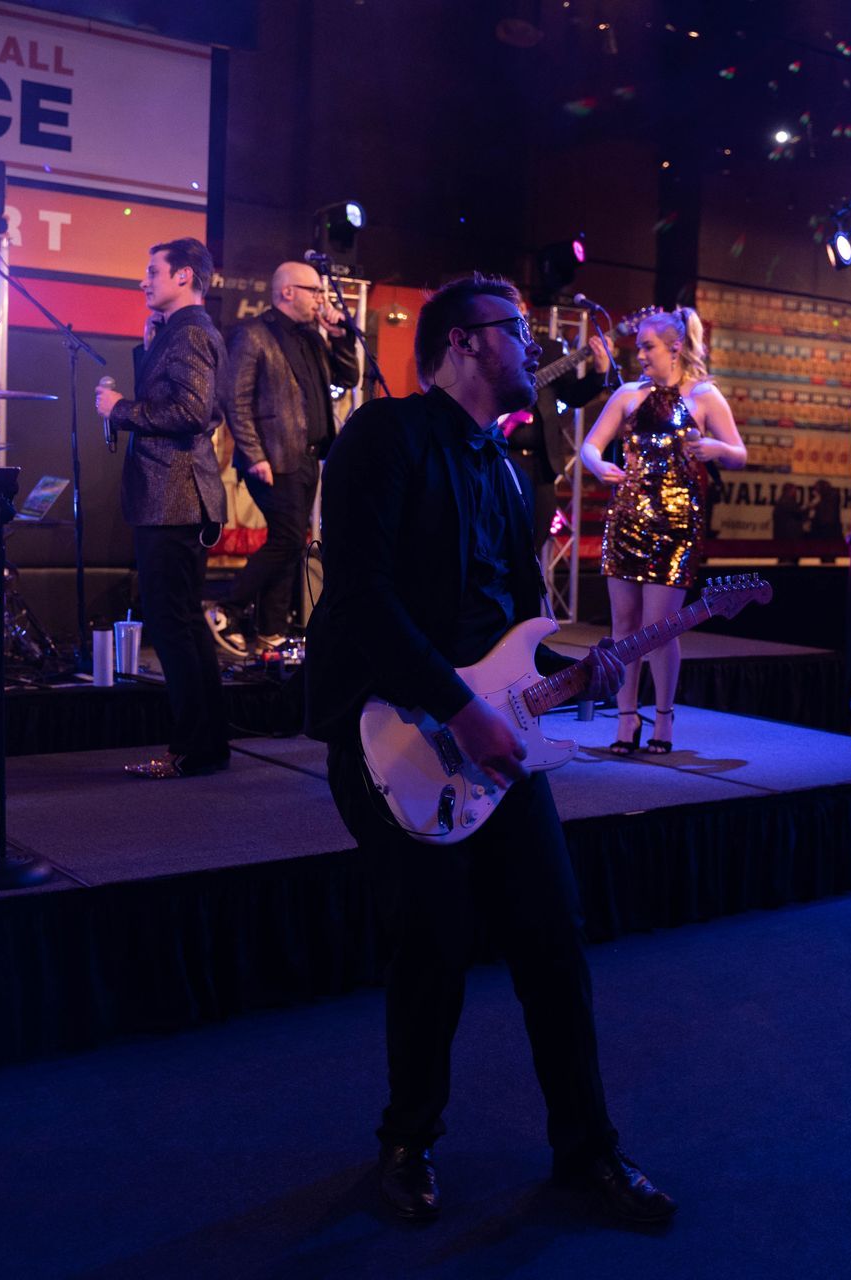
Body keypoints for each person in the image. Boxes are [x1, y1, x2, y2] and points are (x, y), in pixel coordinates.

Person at [304, 274, 673, 1225]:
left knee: (554, 940)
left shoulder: (508, 469)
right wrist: (458, 707)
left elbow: (520, 621)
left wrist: (575, 675)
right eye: (517, 332)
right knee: (428, 945)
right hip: (394, 729)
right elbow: (360, 598)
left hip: (494, 733)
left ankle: (588, 1152)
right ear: (466, 343)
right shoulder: (381, 440)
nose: (534, 349)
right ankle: (407, 1142)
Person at [580, 307, 746, 755]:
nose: (640, 357)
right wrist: (599, 465)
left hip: (675, 525)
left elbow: (738, 454)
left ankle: (665, 720)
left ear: (675, 347)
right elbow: (590, 445)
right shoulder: (629, 395)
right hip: (628, 519)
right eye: (638, 349)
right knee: (624, 626)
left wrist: (715, 447)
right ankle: (626, 719)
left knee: (660, 628)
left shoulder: (705, 396)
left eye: (648, 347)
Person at [95, 238, 232, 780]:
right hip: (173, 500)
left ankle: (194, 750)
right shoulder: (180, 331)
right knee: (183, 624)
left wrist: (118, 408)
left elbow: (194, 411)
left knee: (174, 626)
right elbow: (190, 399)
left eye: (152, 271)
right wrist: (146, 349)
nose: (143, 279)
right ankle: (204, 747)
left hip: (173, 500)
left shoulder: (193, 331)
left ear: (184, 276)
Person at [209, 261, 362, 658]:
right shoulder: (253, 333)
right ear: (287, 292)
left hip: (308, 457)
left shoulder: (313, 338)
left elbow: (348, 378)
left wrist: (342, 337)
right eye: (314, 291)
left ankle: (271, 632)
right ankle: (224, 606)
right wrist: (253, 452)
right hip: (271, 458)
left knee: (290, 543)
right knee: (290, 538)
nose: (321, 300)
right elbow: (234, 398)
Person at [505, 327, 615, 558]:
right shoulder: (499, 344)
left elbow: (573, 396)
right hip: (505, 459)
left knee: (537, 536)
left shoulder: (549, 349)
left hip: (542, 464)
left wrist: (599, 371)